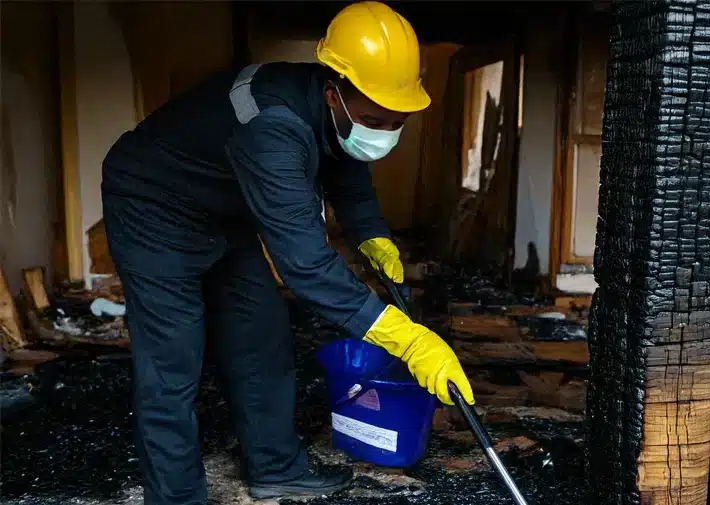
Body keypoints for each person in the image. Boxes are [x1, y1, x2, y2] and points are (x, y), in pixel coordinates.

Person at [101, 2, 475, 504]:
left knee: (261, 335)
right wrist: (406, 339)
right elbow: (304, 264)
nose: (384, 131)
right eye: (373, 119)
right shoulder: (272, 127)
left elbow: (346, 163)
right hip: (153, 207)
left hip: (225, 207)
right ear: (334, 89)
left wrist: (371, 234)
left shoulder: (328, 103)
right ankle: (176, 497)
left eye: (396, 121)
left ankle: (275, 467)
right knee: (173, 359)